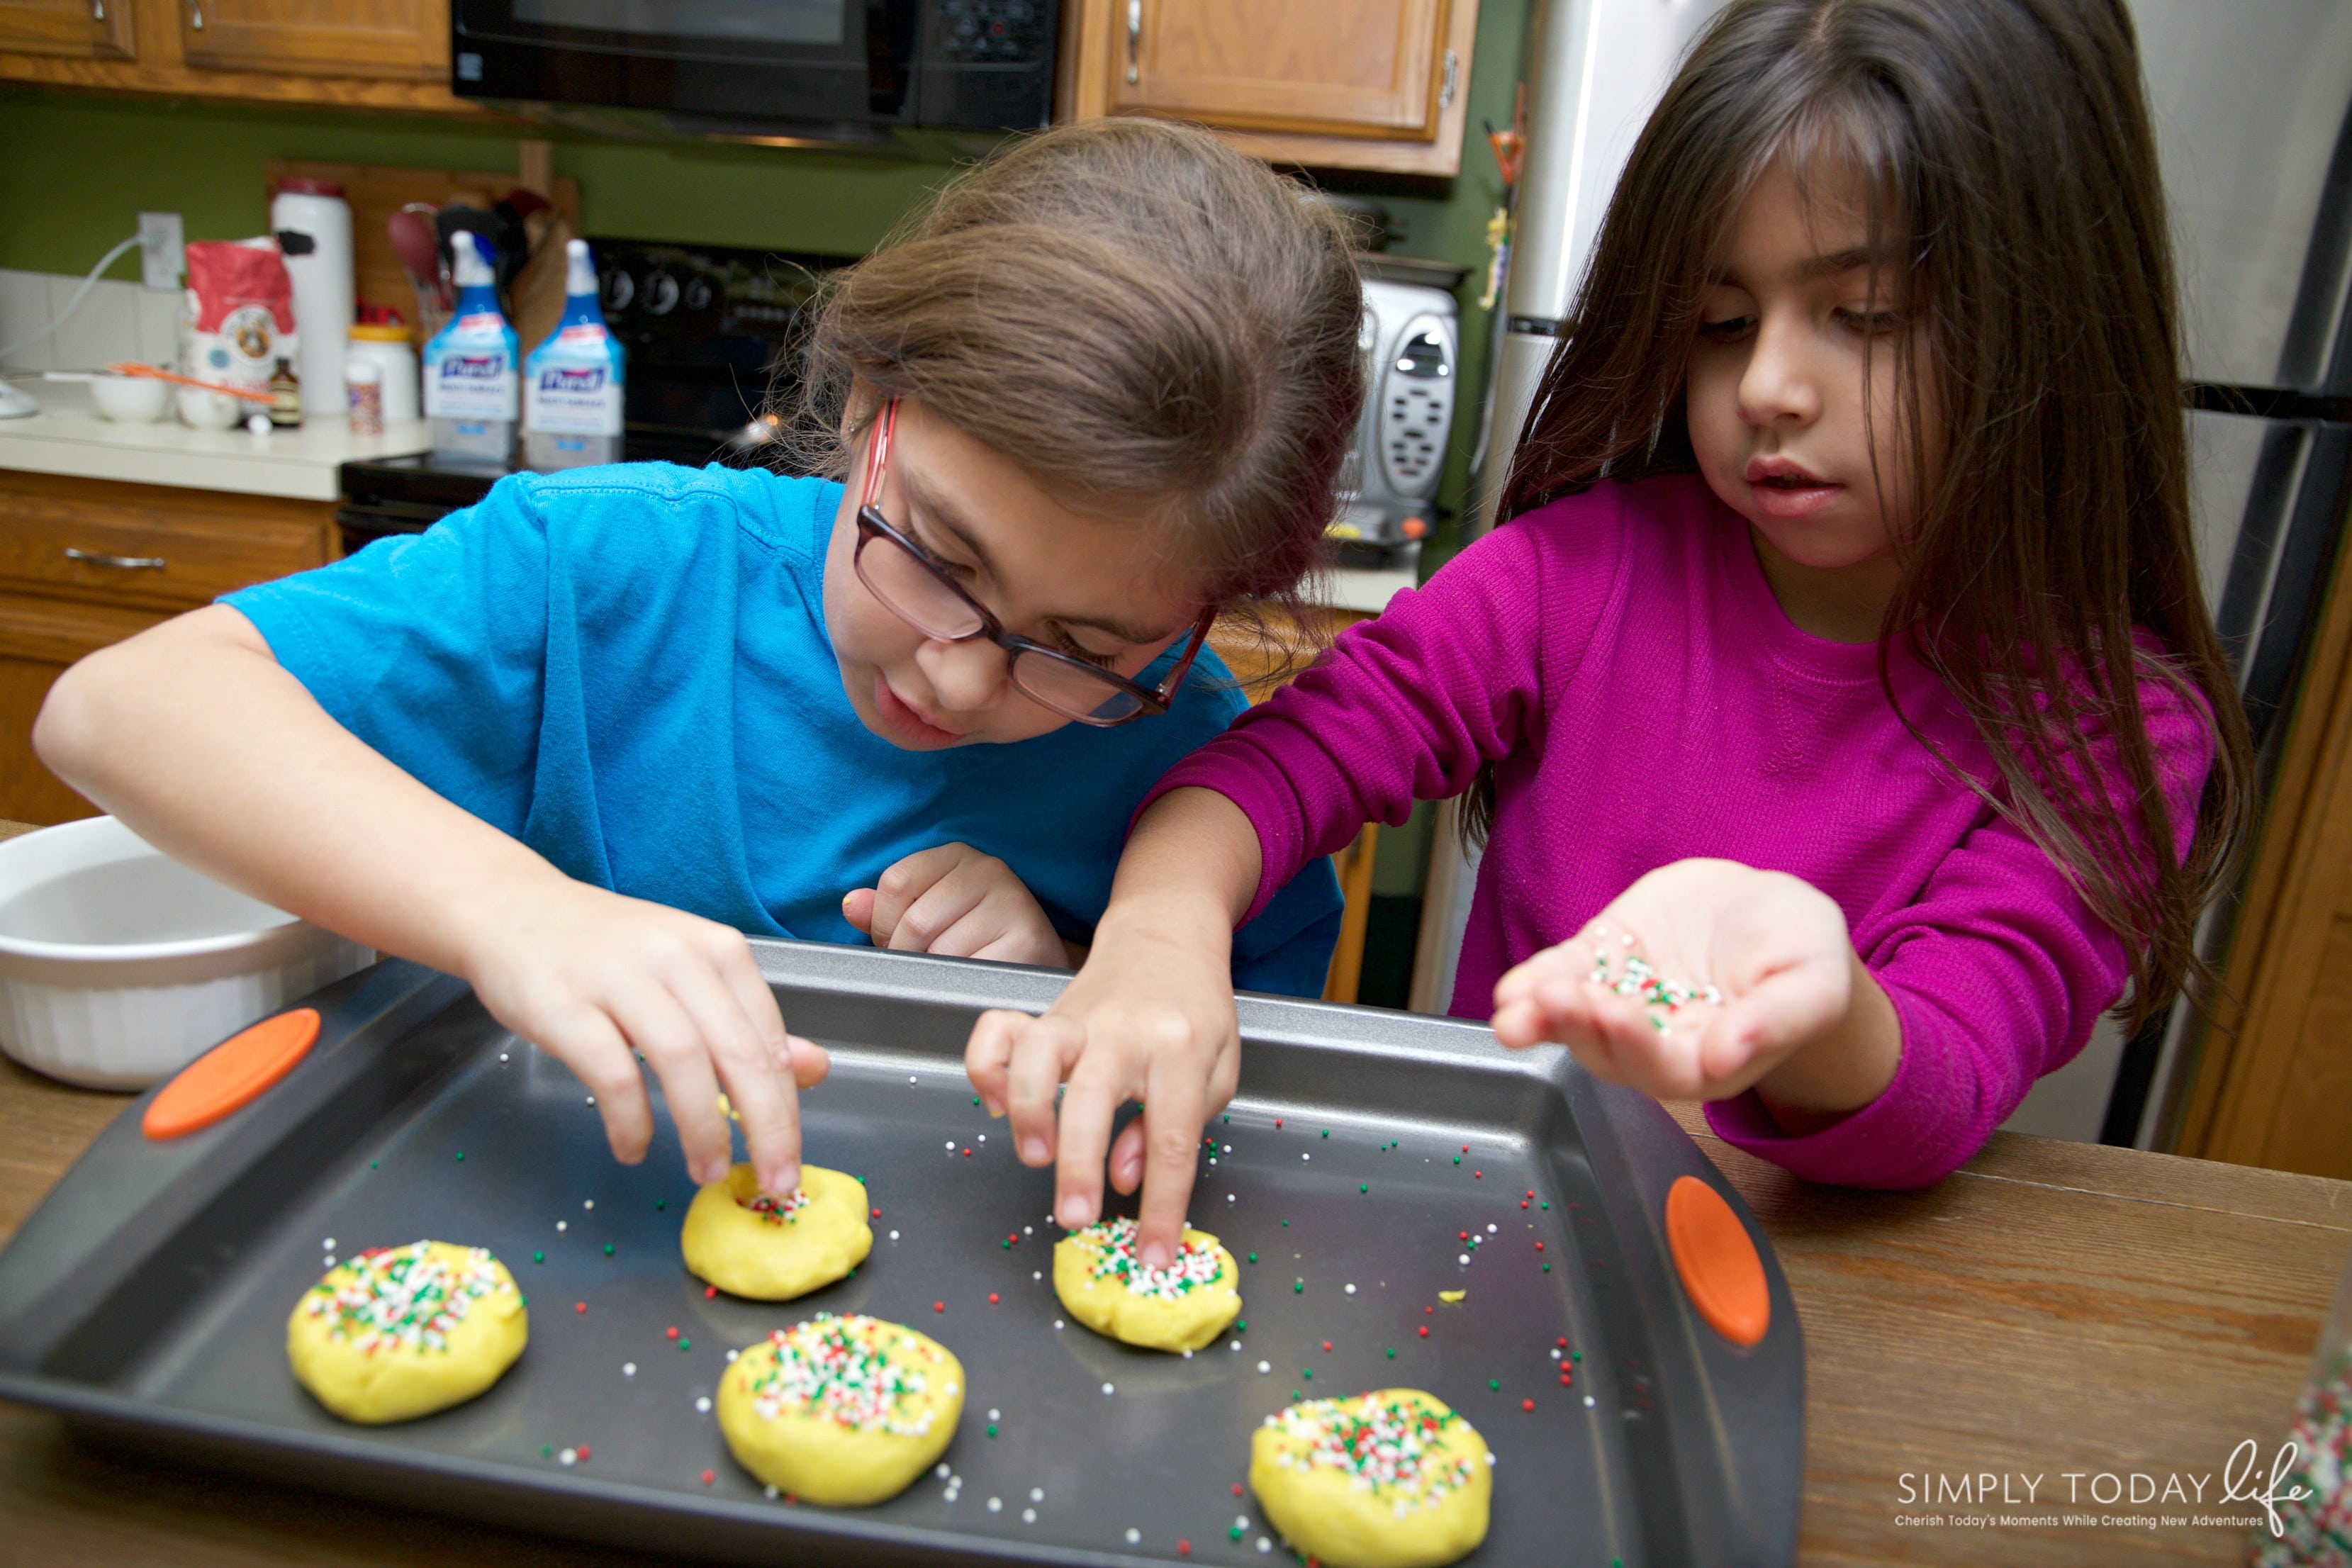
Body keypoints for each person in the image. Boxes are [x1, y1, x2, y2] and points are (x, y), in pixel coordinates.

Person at [971, 0, 2256, 1268]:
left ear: (2052, 317)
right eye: (1719, 323)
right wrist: (1158, 932)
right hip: (1489, 1248)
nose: (1766, 388)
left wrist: (1818, 1008)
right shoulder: (1568, 579)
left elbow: (1950, 1073)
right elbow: (1285, 762)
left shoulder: (2118, 728)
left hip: (1811, 1294)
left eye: (1865, 315)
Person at [33, 118, 1362, 1209]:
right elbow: (118, 706)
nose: (959, 681)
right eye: (940, 562)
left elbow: (1230, 1132)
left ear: (1198, 617)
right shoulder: (602, 571)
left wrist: (1071, 982)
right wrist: (522, 913)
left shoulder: (1208, 778)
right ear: (863, 407)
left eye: (1087, 653)